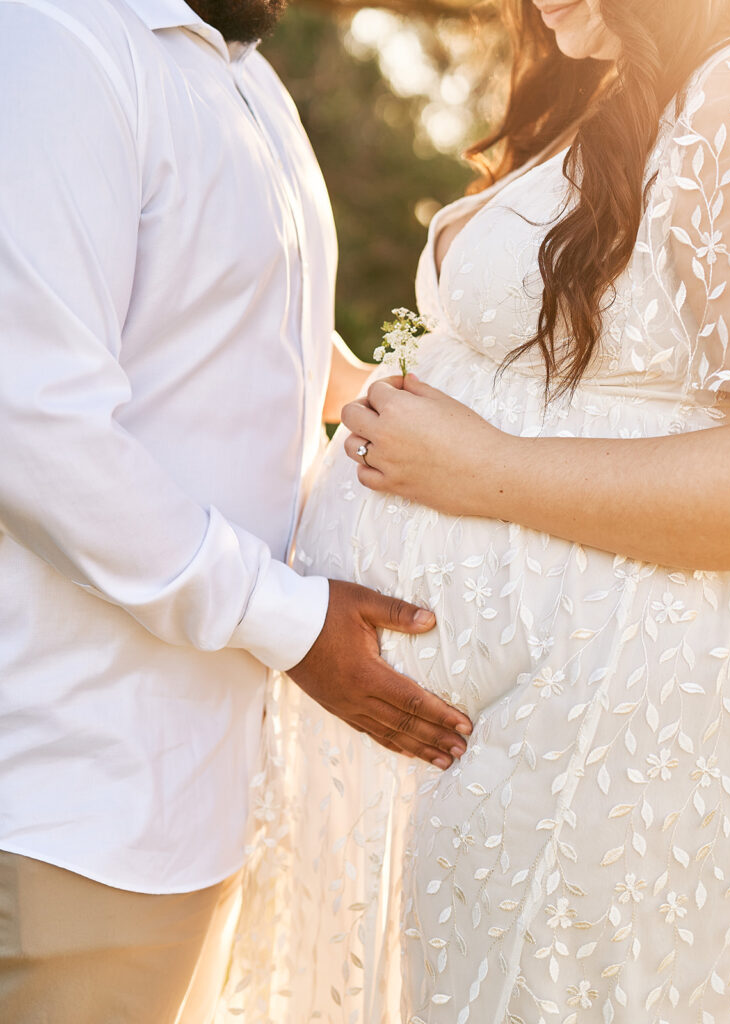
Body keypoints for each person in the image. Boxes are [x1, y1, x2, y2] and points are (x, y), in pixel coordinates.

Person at [218, 0, 730, 1020]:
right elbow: (576, 388)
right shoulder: (607, 92)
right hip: (507, 726)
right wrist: (345, 386)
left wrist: (488, 469)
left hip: (613, 724)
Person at [0, 1, 473, 1021]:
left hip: (202, 794)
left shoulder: (243, 76)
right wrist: (294, 624)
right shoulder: (53, 43)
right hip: (72, 794)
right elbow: (33, 424)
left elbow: (263, 363)